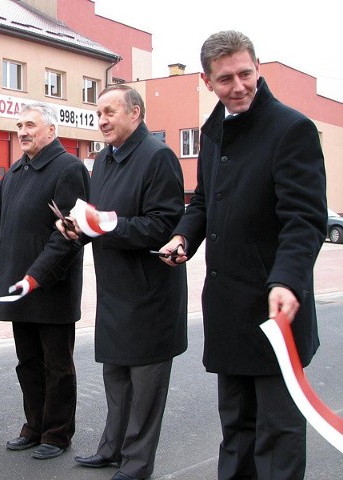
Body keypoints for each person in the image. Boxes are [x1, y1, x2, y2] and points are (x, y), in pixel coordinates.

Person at [159, 31, 327, 480]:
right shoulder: (214, 133)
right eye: (226, 78)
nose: (239, 86)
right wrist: (183, 238)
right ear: (206, 80)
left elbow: (303, 220)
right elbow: (202, 204)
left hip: (277, 314)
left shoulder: (291, 129)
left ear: (258, 68)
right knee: (236, 428)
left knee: (278, 433)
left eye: (246, 73)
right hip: (229, 309)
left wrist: (287, 279)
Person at [60, 85, 188, 480]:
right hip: (115, 292)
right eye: (98, 113)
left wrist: (100, 228)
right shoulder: (105, 161)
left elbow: (162, 225)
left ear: (135, 113)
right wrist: (78, 229)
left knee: (145, 390)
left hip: (149, 293)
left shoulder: (158, 156)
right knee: (115, 378)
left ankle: (136, 464)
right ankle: (112, 449)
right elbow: (100, 220)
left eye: (110, 112)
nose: (101, 120)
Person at [0, 103, 89, 458]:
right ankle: (34, 425)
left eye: (30, 125)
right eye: (19, 125)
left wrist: (36, 275)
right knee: (27, 363)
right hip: (16, 286)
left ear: (51, 131)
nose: (22, 131)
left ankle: (56, 433)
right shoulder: (14, 171)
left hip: (50, 286)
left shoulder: (68, 168)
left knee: (56, 365)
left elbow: (68, 234)